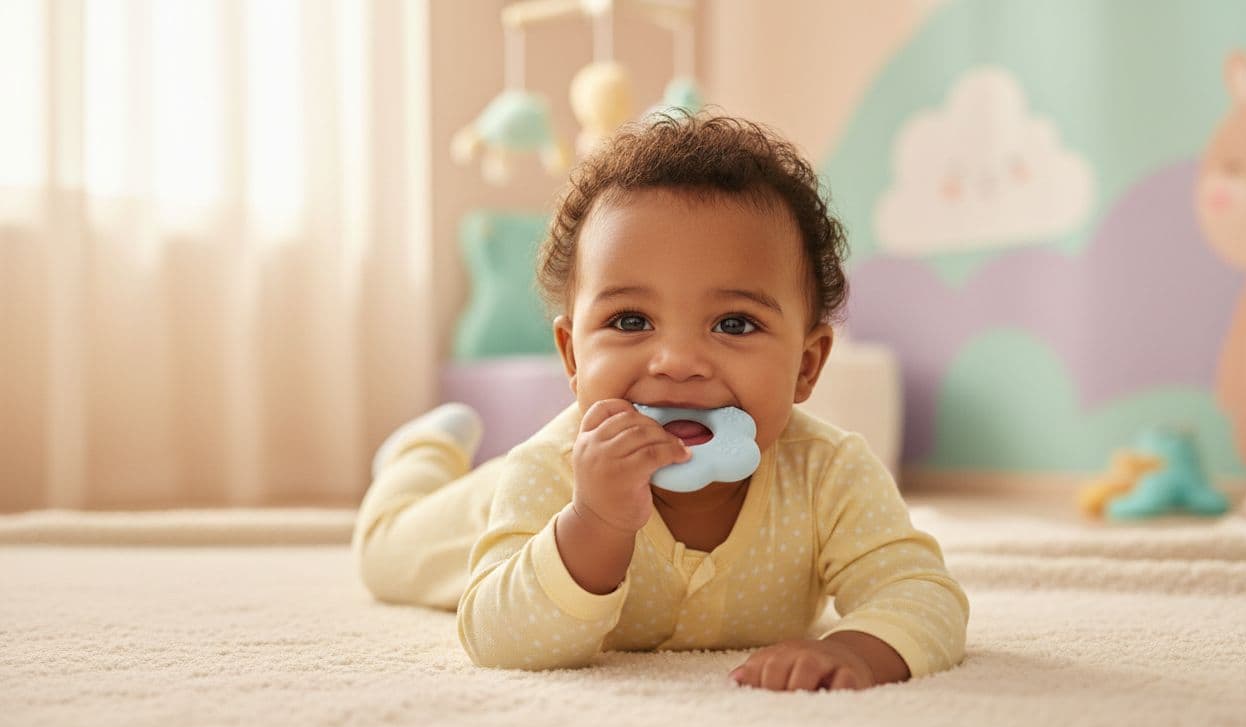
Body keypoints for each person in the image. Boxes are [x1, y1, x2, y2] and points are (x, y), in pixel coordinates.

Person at [353, 112, 968, 692]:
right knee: (386, 552)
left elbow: (922, 592)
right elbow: (498, 639)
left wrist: (858, 649)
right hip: (490, 517)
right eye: (629, 319)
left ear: (805, 366)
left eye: (733, 324)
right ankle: (420, 456)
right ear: (572, 356)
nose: (676, 361)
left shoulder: (828, 473)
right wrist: (593, 524)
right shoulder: (549, 470)